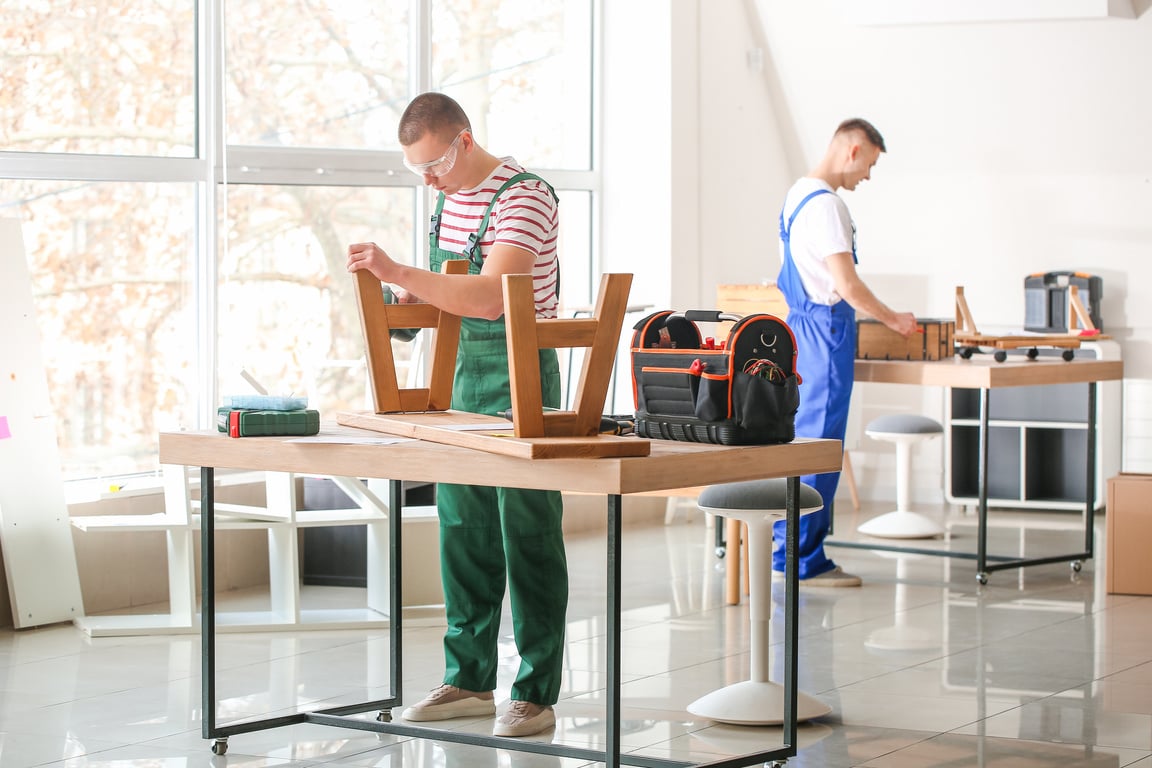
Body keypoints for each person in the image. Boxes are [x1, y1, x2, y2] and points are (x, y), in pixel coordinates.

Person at [346, 92, 566, 738]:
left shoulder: (526, 196)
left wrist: (400, 267)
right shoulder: (450, 198)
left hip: (522, 377)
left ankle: (535, 691)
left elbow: (491, 297)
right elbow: (446, 291)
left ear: (464, 141)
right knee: (461, 528)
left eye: (435, 166)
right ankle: (469, 679)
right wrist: (403, 297)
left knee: (525, 531)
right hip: (460, 376)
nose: (430, 181)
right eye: (418, 172)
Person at [771, 118, 917, 587]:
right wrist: (894, 320)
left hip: (800, 328)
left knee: (801, 444)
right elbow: (847, 285)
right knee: (819, 449)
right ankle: (801, 561)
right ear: (852, 151)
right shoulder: (829, 206)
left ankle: (786, 552)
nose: (867, 178)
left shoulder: (797, 194)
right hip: (825, 334)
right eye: (870, 165)